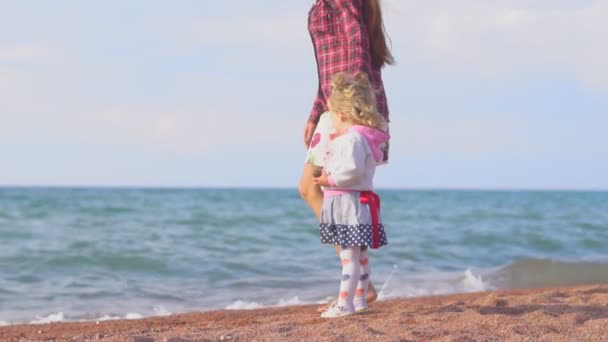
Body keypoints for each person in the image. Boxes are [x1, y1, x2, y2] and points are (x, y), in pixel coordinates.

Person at [298, 0, 394, 312]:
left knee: (315, 188)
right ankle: (361, 285)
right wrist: (315, 113)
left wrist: (351, 115)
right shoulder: (322, 5)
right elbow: (325, 71)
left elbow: (358, 49)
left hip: (348, 110)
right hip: (336, 109)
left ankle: (359, 286)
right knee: (334, 194)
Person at [313, 71, 389, 318]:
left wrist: (328, 179)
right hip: (354, 203)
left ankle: (345, 303)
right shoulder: (358, 138)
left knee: (349, 256)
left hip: (347, 203)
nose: (332, 122)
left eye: (332, 116)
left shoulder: (352, 140)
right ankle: (359, 299)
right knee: (360, 255)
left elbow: (351, 171)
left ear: (342, 114)